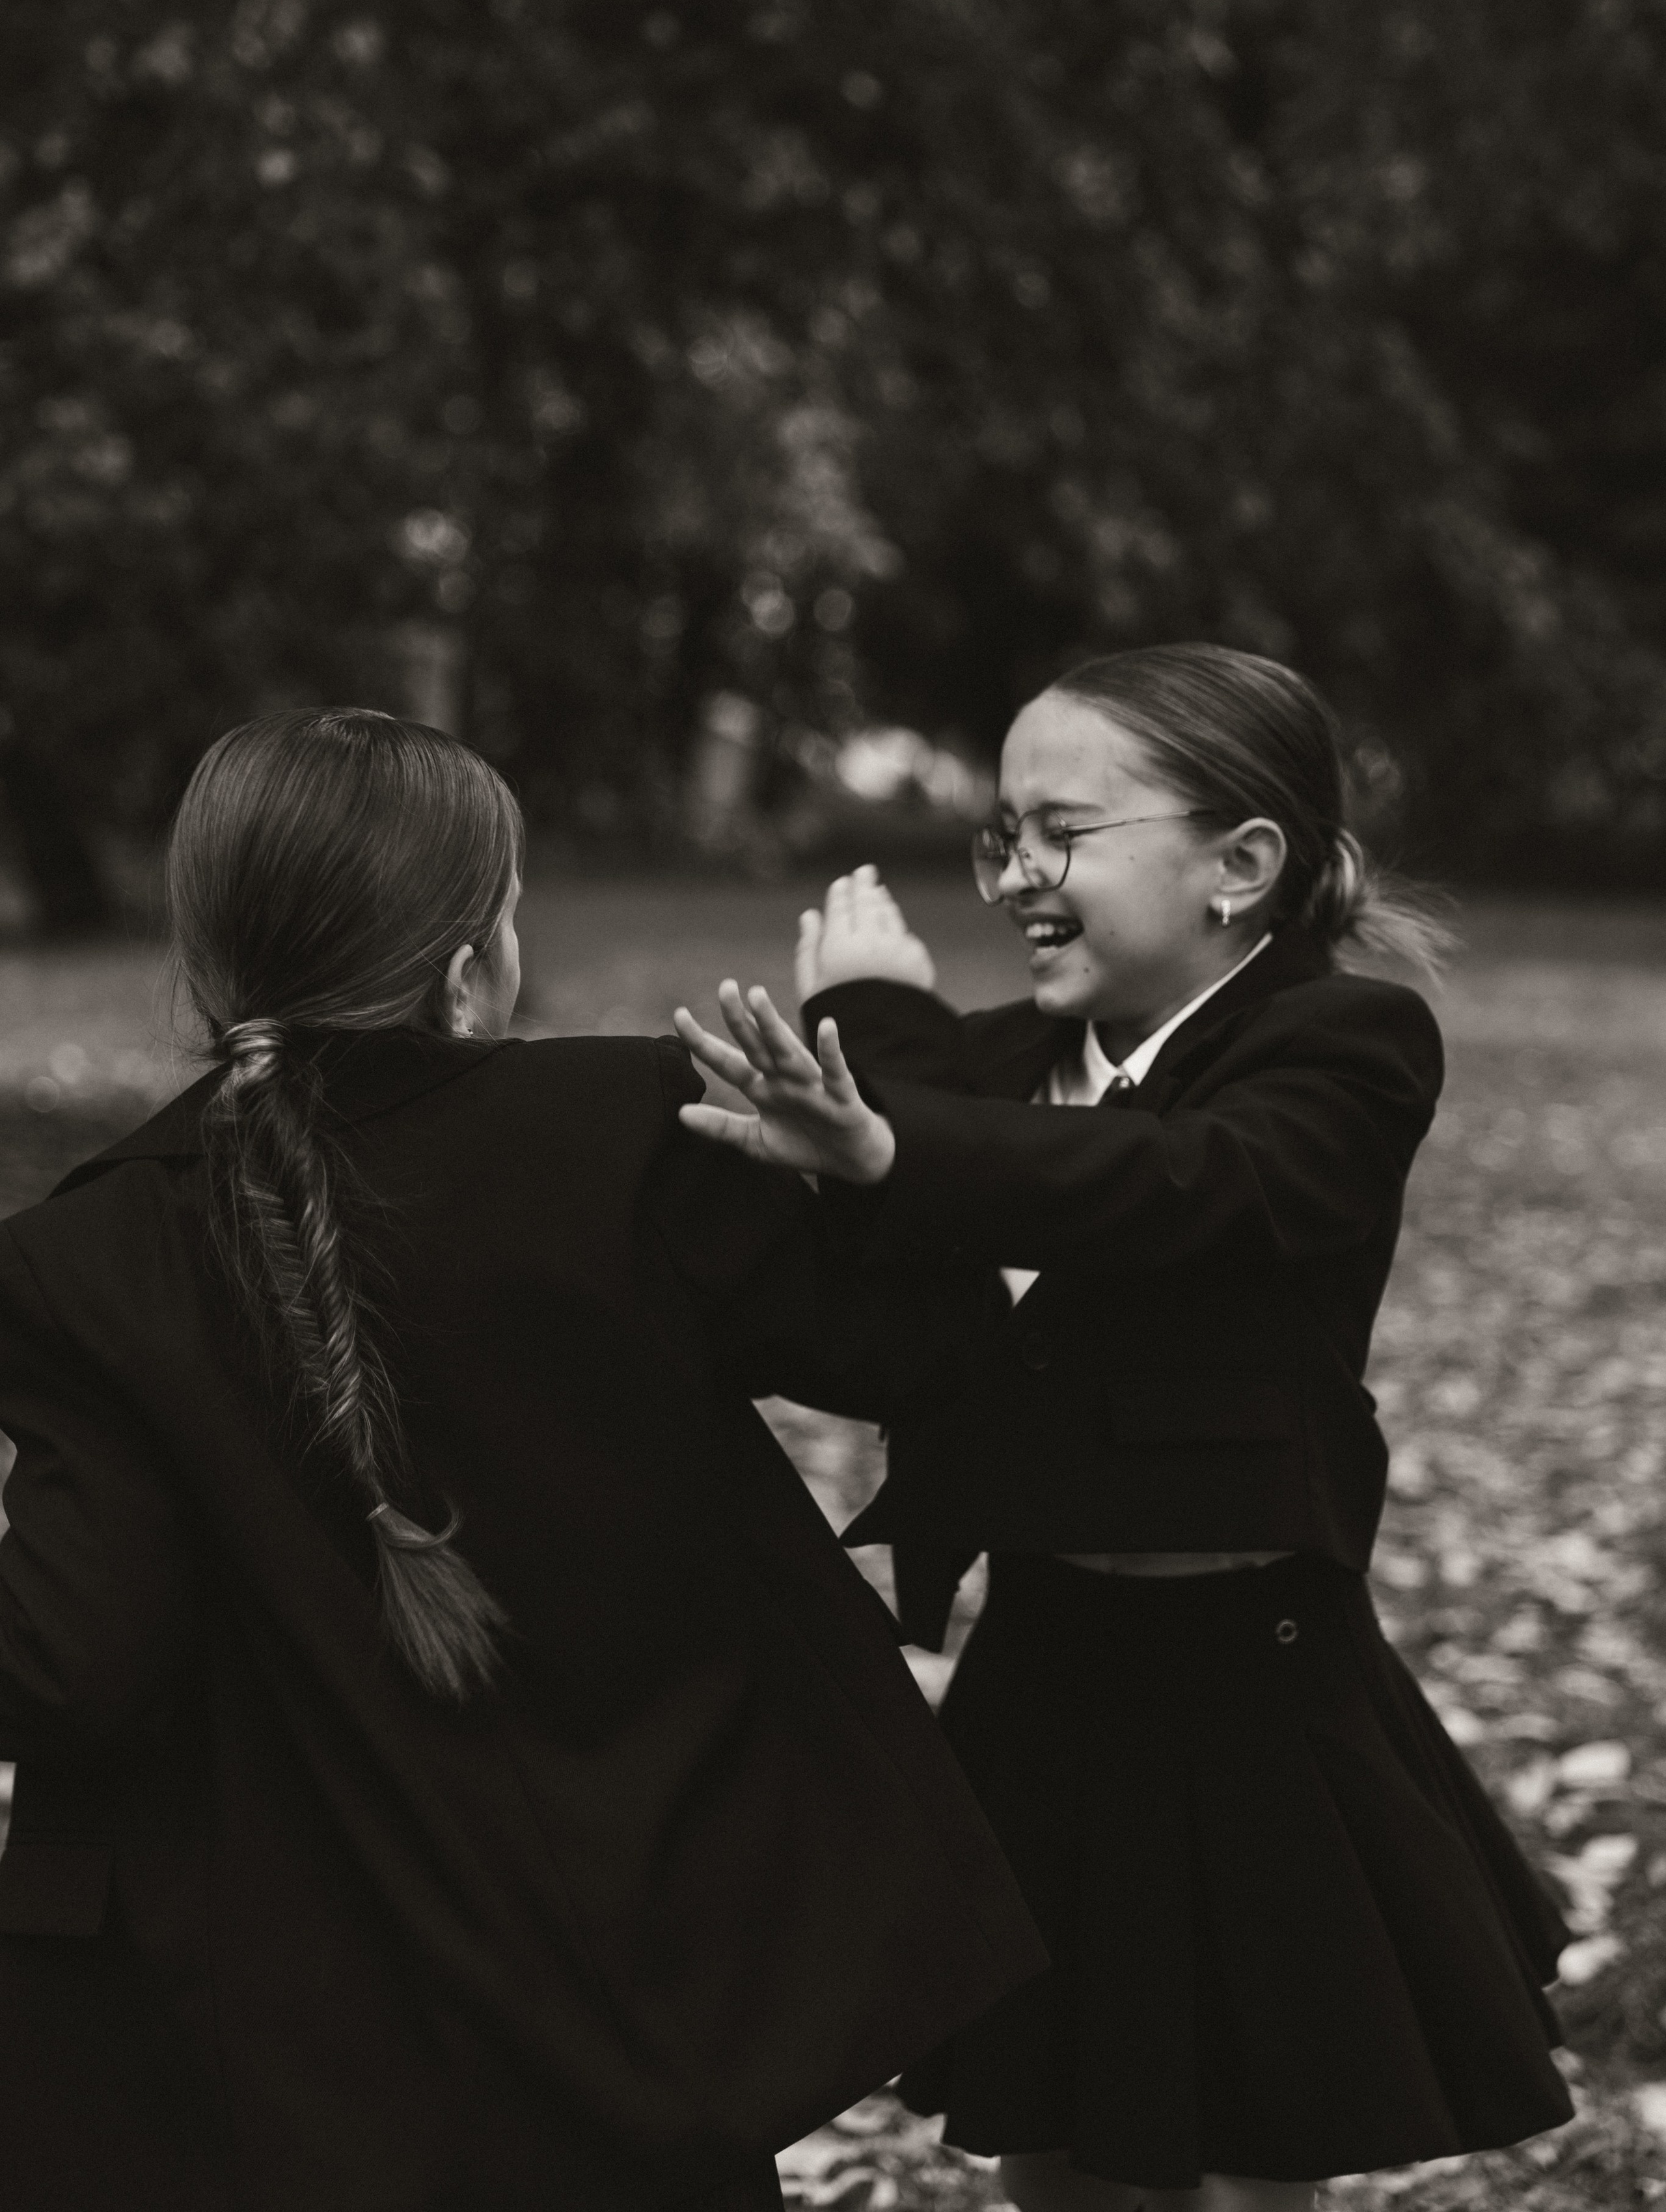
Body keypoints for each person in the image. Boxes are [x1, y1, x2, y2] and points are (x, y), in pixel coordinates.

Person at [0, 708, 1045, 2212]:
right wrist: (879, 1046)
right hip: (639, 1955)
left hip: (264, 2039)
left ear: (208, 951)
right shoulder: (634, 1133)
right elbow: (942, 1352)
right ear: (467, 962)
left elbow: (75, 1662)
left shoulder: (82, 1253)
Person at [675, 644, 1574, 2212]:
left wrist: (890, 1113)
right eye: (999, 839)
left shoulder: (1341, 1049)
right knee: (1053, 2117)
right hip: (1046, 1666)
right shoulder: (1015, 1067)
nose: (1016, 873)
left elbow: (1172, 1190)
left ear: (1237, 865)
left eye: (1061, 833)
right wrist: (872, 1029)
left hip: (1242, 1681)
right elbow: (932, 1162)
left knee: (1241, 2138)